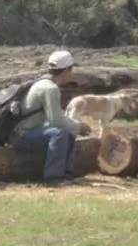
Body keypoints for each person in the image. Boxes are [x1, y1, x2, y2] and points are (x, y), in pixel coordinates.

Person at [10, 50, 92, 186]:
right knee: (60, 132)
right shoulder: (50, 89)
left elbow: (55, 118)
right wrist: (79, 126)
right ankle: (53, 178)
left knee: (68, 130)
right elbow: (56, 120)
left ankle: (67, 175)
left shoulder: (43, 82)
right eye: (71, 69)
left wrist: (74, 127)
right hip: (20, 135)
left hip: (29, 130)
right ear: (66, 70)